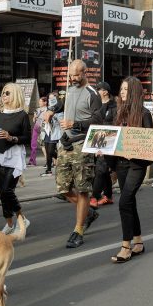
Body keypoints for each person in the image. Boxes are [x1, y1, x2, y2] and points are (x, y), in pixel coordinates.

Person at [42, 60, 103, 248]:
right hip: (65, 145)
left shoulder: (93, 94)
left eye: (76, 75)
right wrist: (51, 110)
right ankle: (89, 213)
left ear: (86, 72)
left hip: (82, 145)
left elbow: (98, 120)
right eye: (71, 75)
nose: (73, 78)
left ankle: (78, 230)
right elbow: (60, 104)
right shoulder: (68, 90)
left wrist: (74, 124)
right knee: (63, 187)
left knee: (83, 189)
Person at [107, 77, 152, 263]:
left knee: (124, 203)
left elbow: (150, 145)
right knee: (130, 203)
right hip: (120, 164)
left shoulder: (144, 113)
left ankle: (126, 247)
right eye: (121, 88)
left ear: (133, 91)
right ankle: (139, 243)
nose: (122, 91)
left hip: (137, 164)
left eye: (126, 89)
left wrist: (133, 153)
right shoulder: (118, 112)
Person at [0, 83, 32, 235]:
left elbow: (28, 137)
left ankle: (22, 219)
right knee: (3, 193)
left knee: (7, 189)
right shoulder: (1, 113)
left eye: (7, 93)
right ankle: (9, 224)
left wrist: (12, 138)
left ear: (15, 95)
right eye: (3, 93)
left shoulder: (22, 115)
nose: (3, 95)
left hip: (13, 155)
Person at [40, 92, 61, 178]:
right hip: (46, 131)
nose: (50, 100)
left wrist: (54, 116)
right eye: (49, 99)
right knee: (47, 151)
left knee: (51, 151)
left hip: (54, 131)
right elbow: (44, 118)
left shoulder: (60, 108)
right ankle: (49, 170)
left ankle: (61, 160)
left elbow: (60, 121)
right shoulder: (47, 108)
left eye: (52, 98)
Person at [30, 96, 47, 167]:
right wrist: (34, 117)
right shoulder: (37, 110)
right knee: (33, 144)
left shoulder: (47, 110)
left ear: (45, 102)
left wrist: (42, 125)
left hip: (43, 128)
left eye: (41, 101)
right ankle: (32, 161)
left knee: (44, 146)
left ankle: (49, 161)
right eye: (39, 101)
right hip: (36, 127)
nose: (39, 102)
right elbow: (34, 120)